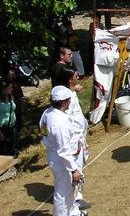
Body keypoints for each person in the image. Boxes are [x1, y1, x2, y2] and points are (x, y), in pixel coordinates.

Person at [39, 86, 85, 216]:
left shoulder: (48, 113)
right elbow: (63, 150)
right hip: (61, 160)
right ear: (64, 102)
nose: (71, 102)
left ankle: (72, 212)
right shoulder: (59, 122)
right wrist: (73, 169)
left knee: (68, 190)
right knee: (62, 192)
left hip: (58, 156)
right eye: (69, 100)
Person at [55, 66, 91, 210]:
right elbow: (69, 120)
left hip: (79, 136)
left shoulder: (71, 93)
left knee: (79, 166)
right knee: (75, 168)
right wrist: (75, 142)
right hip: (74, 139)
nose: (78, 78)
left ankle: (76, 195)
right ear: (69, 79)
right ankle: (75, 198)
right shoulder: (65, 98)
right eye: (76, 76)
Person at [0, 82, 18, 157]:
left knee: (12, 146)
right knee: (3, 149)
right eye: (9, 87)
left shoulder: (11, 98)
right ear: (4, 90)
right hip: (3, 127)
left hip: (12, 125)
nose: (11, 89)